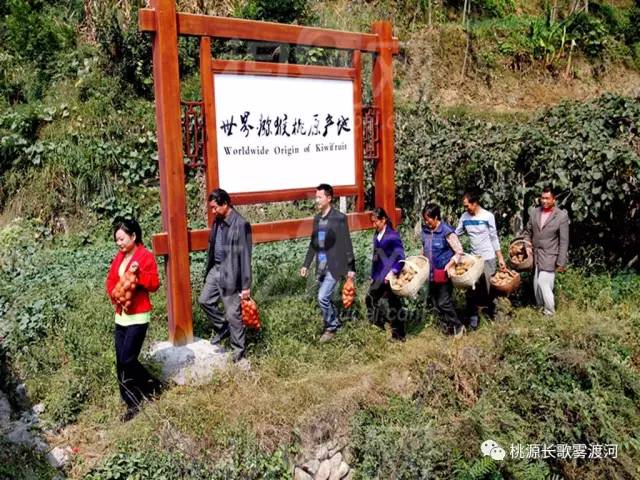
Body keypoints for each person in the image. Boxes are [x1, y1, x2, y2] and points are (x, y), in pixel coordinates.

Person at [105, 218, 161, 422]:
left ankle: (149, 388)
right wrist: (115, 293)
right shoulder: (119, 257)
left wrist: (139, 275)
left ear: (133, 236)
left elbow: (154, 284)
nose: (118, 243)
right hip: (121, 316)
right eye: (117, 240)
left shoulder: (145, 256)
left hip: (138, 315)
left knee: (128, 360)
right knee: (121, 362)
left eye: (122, 239)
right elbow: (111, 279)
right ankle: (132, 400)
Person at [199, 188, 252, 364]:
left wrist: (245, 285)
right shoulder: (218, 220)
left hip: (231, 271)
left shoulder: (241, 224)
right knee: (204, 300)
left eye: (215, 207)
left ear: (226, 204)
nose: (213, 211)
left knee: (233, 314)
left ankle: (239, 352)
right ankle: (223, 328)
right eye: (211, 208)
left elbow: (245, 256)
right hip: (215, 269)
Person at [300, 184, 356, 342]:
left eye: (319, 197)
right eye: (316, 197)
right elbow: (313, 244)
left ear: (329, 198)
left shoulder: (339, 218)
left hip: (334, 267)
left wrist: (351, 268)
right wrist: (306, 265)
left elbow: (347, 243)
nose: (316, 200)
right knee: (327, 298)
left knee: (322, 297)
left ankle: (331, 327)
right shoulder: (317, 219)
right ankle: (337, 322)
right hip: (321, 267)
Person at [455, 191, 507, 329]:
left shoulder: (487, 216)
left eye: (467, 206)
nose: (466, 209)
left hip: (488, 257)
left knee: (491, 288)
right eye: (464, 206)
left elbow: (494, 237)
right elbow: (456, 234)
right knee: (472, 289)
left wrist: (500, 258)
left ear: (475, 203)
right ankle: (473, 319)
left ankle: (495, 315)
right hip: (474, 260)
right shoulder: (464, 217)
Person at [523, 186, 570, 316]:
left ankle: (550, 312)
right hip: (536, 256)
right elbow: (527, 232)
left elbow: (564, 241)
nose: (544, 201)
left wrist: (561, 262)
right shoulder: (534, 213)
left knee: (543, 282)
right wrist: (527, 245)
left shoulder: (561, 216)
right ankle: (540, 310)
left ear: (554, 199)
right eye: (542, 198)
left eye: (547, 198)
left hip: (550, 255)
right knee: (536, 285)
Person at [421, 204, 466, 337]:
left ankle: (459, 326)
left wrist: (450, 264)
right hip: (431, 273)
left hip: (444, 273)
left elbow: (459, 251)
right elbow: (424, 248)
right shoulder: (426, 231)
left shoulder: (446, 231)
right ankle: (447, 326)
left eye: (428, 219)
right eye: (424, 220)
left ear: (436, 217)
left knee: (443, 302)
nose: (426, 222)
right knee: (436, 301)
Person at [366, 207, 407, 341]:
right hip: (379, 275)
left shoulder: (392, 236)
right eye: (372, 222)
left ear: (383, 220)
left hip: (390, 276)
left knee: (394, 303)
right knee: (370, 298)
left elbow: (401, 257)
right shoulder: (376, 235)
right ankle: (378, 325)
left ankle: (399, 335)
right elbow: (376, 257)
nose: (374, 225)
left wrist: (393, 272)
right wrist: (373, 275)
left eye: (376, 222)